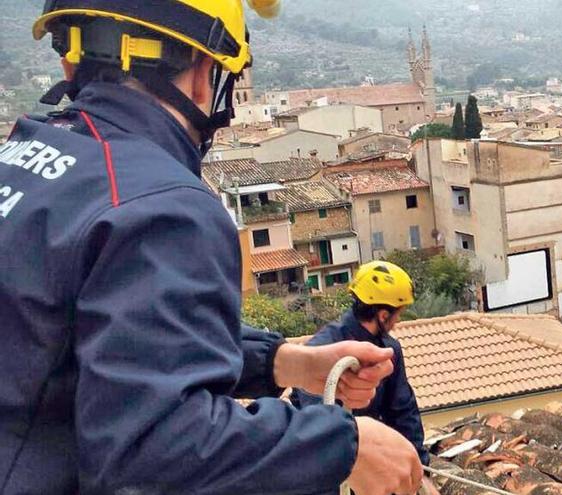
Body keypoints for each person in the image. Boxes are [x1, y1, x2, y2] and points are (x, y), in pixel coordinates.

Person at [0, 2, 422, 494]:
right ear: (205, 75)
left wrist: (284, 362)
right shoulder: (160, 204)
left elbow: (112, 342)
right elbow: (152, 450)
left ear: (70, 59)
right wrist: (344, 445)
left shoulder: (26, 162)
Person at [296, 261, 440, 495]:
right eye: (398, 314)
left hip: (374, 464)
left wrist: (420, 471)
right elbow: (316, 426)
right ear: (383, 315)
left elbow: (403, 412)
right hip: (330, 473)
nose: (398, 321)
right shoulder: (322, 352)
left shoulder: (389, 350)